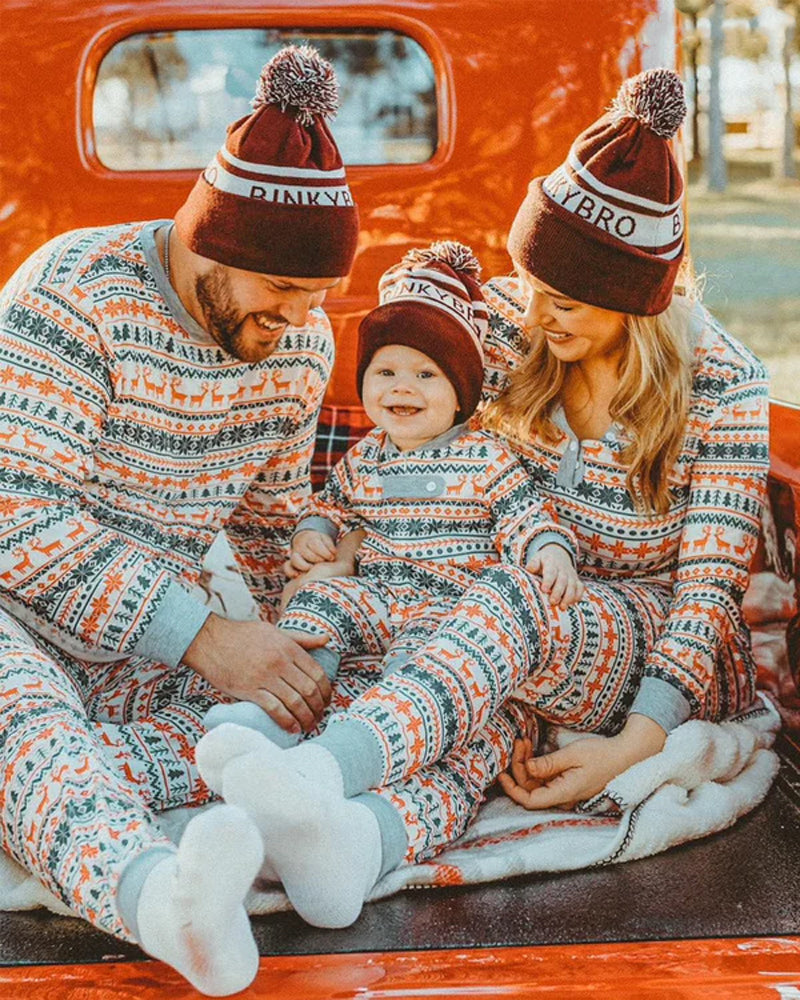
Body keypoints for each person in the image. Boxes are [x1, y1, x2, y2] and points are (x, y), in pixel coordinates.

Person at [196, 67, 769, 931]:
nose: (536, 314)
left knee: (508, 597)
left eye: (568, 301)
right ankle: (355, 839)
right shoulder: (507, 321)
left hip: (652, 653)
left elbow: (708, 598)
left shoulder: (722, 389)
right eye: (531, 282)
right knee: (481, 720)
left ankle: (319, 775)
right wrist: (345, 543)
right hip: (488, 644)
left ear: (636, 304)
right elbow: (408, 372)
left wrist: (633, 746)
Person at [0, 45, 359, 995]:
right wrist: (203, 635)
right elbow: (15, 519)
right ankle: (162, 900)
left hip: (144, 659)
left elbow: (273, 522)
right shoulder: (73, 292)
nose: (298, 318)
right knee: (17, 711)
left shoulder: (300, 341)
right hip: (15, 623)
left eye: (317, 297)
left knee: (268, 730)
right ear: (212, 241)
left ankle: (55, 785)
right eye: (281, 291)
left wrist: (310, 618)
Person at [205, 241, 583, 746]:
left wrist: (549, 549)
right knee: (318, 600)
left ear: (460, 395)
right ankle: (283, 708)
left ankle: (382, 731)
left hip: (446, 606)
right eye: (385, 373)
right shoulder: (365, 456)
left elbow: (524, 515)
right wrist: (312, 535)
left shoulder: (485, 457)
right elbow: (329, 505)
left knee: (421, 666)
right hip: (376, 595)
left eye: (426, 375)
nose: (402, 388)